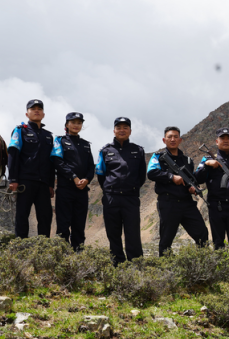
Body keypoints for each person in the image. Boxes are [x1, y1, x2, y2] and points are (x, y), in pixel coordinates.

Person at [147, 126, 209, 256]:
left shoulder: (187, 160)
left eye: (175, 136)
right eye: (169, 137)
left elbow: (190, 180)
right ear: (164, 140)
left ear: (180, 140)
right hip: (168, 202)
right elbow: (151, 173)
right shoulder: (158, 157)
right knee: (166, 240)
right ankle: (166, 271)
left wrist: (192, 189)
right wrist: (171, 177)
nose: (173, 139)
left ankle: (202, 268)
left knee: (202, 234)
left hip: (187, 203)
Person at [95, 117, 146, 264]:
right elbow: (100, 175)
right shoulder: (105, 151)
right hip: (111, 198)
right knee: (113, 233)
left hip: (131, 198)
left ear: (130, 131)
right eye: (119, 127)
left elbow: (141, 176)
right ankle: (118, 265)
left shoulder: (138, 150)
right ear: (114, 130)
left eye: (125, 127)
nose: (122, 130)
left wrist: (132, 188)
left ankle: (136, 265)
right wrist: (109, 189)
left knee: (133, 233)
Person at [7, 99, 55, 238]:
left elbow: (51, 162)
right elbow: (13, 155)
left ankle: (43, 249)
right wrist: (13, 179)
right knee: (22, 215)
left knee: (45, 217)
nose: (36, 110)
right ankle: (21, 248)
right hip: (25, 181)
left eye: (39, 108)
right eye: (33, 108)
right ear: (27, 114)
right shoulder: (20, 131)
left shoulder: (48, 136)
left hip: (43, 184)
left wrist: (51, 184)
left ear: (43, 114)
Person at [50, 112, 94, 251]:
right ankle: (62, 255)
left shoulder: (86, 145)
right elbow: (58, 162)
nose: (76, 125)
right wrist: (74, 177)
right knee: (63, 225)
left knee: (79, 226)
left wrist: (86, 179)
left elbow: (91, 166)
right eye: (73, 122)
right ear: (67, 125)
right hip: (65, 189)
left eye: (79, 123)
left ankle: (78, 257)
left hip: (82, 191)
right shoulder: (59, 141)